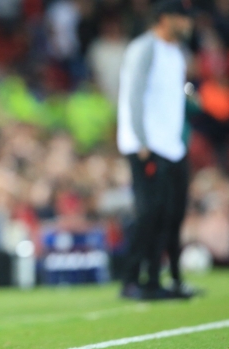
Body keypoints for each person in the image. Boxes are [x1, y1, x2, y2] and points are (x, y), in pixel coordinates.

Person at [117, 0, 195, 300]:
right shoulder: (145, 48)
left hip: (173, 146)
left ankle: (165, 278)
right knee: (149, 212)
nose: (187, 25)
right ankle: (133, 280)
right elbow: (133, 96)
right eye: (182, 18)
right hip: (148, 147)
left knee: (172, 215)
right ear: (165, 19)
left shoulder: (177, 52)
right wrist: (142, 141)